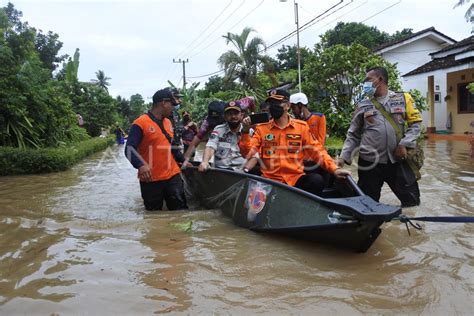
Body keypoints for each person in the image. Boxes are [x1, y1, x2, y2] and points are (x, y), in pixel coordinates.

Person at [336, 66, 423, 207]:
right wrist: (343, 157)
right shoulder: (363, 104)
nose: (365, 84)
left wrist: (404, 144)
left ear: (380, 79)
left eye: (368, 79)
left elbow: (416, 124)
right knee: (368, 205)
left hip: (397, 160)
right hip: (369, 163)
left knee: (412, 202)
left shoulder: (402, 98)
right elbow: (353, 133)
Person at [243, 89, 349, 196]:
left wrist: (334, 169)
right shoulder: (262, 128)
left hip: (294, 179)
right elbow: (247, 153)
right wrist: (245, 131)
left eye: (277, 103)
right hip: (269, 180)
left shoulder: (301, 127)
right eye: (271, 103)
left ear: (288, 106)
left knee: (316, 180)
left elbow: (317, 151)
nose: (273, 106)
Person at [124, 88, 187, 211]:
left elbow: (171, 145)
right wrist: (141, 165)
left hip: (172, 176)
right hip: (151, 179)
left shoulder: (168, 122)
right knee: (153, 215)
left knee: (181, 212)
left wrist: (183, 160)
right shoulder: (140, 123)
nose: (173, 108)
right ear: (164, 103)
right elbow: (129, 148)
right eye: (171, 105)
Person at [199, 101, 251, 172]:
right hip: (221, 172)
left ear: (241, 115)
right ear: (225, 117)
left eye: (236, 113)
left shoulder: (249, 131)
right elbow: (210, 146)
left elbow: (253, 154)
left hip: (241, 173)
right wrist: (205, 161)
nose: (233, 116)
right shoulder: (218, 130)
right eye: (230, 114)